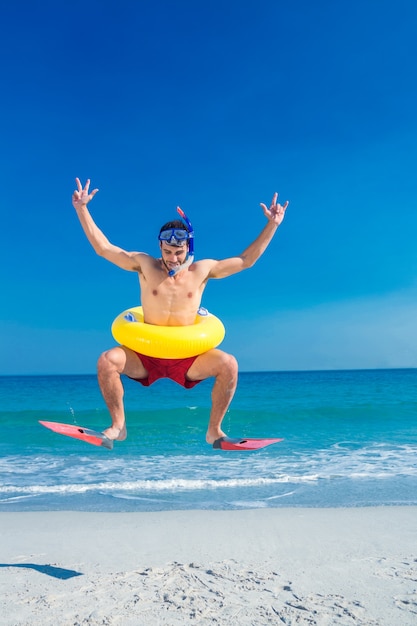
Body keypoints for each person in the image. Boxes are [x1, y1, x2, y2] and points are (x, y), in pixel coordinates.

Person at [72, 178, 289, 446]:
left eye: (178, 251)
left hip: (188, 357)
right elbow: (103, 248)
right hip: (145, 353)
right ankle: (118, 427)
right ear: (159, 247)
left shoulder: (203, 270)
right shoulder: (144, 265)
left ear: (189, 248)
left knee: (229, 364)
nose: (173, 258)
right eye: (167, 251)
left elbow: (246, 261)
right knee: (107, 360)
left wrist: (272, 224)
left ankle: (215, 432)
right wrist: (82, 208)